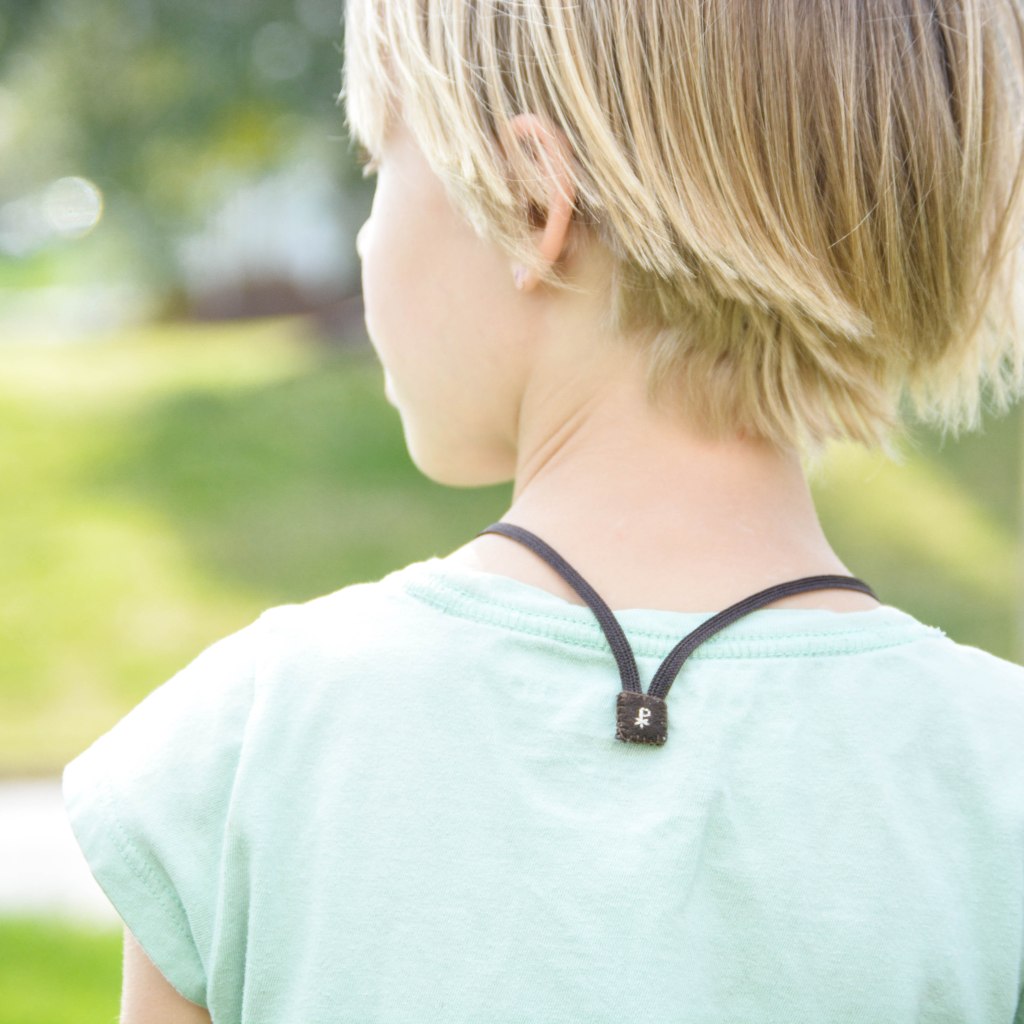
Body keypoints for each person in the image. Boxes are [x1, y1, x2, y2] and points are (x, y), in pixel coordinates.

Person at [64, 1, 1024, 1021]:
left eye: (374, 165)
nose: (362, 234)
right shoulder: (997, 780)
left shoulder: (246, 748)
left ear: (530, 200)